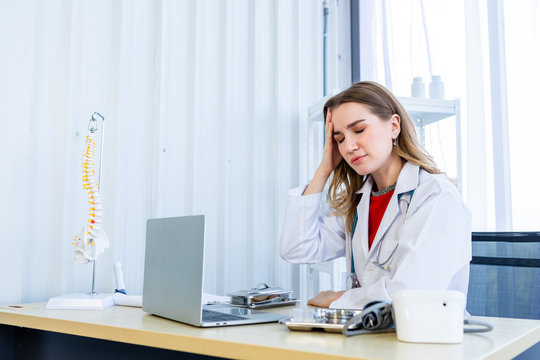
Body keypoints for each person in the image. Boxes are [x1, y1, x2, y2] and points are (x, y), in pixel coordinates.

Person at [280, 81, 471, 309]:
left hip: (427, 336)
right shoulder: (358, 203)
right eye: (339, 139)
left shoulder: (436, 196)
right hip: (372, 333)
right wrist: (324, 170)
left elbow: (410, 295)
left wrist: (336, 298)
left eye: (359, 130)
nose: (349, 146)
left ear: (394, 126)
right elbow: (298, 248)